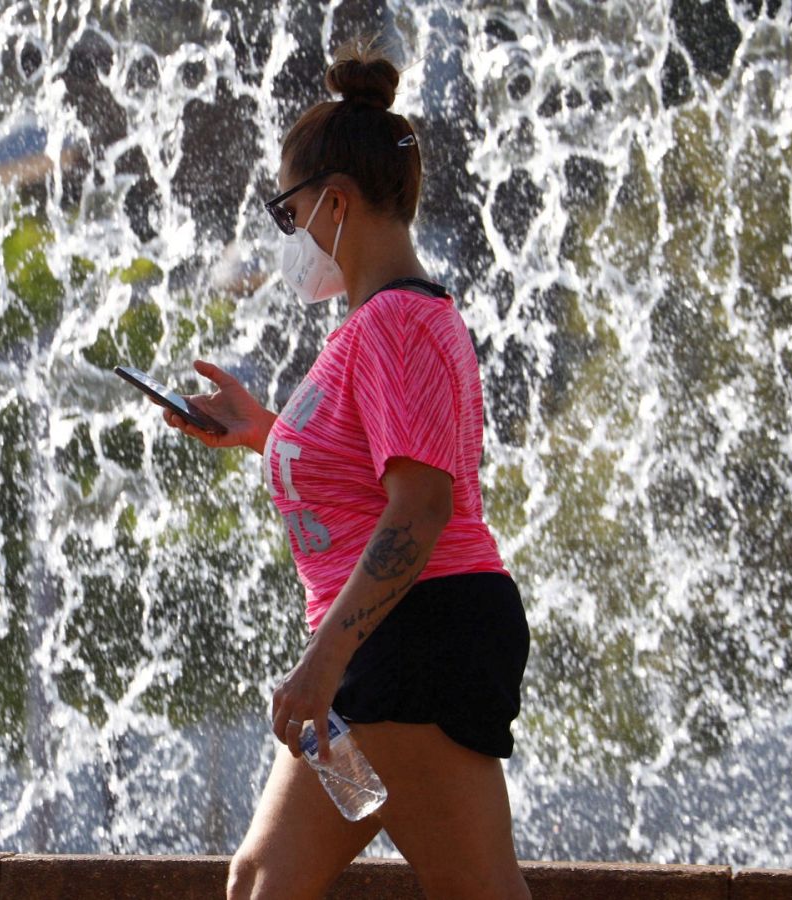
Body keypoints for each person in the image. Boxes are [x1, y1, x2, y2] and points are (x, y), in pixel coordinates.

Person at [157, 42, 533, 900]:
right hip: (389, 652)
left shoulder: (398, 322)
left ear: (333, 202)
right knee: (269, 879)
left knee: (464, 889)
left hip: (406, 650)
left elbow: (421, 507)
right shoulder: (376, 327)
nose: (286, 238)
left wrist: (323, 665)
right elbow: (369, 481)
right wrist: (264, 433)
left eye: (287, 215)